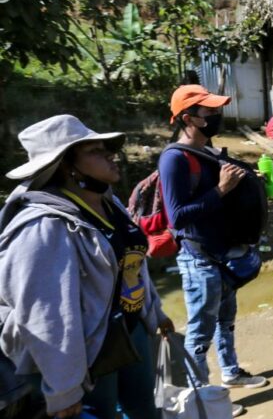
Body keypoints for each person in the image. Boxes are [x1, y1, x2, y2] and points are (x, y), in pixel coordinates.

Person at [0, 115, 173, 419]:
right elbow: (46, 317)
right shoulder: (45, 227)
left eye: (106, 147)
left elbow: (132, 265)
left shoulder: (108, 203)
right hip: (88, 350)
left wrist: (155, 311)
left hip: (128, 329)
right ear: (66, 165)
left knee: (145, 409)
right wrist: (64, 390)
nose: (110, 154)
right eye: (94, 151)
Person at [159, 85, 266, 415]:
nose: (217, 116)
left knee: (226, 320)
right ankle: (204, 399)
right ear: (189, 119)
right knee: (200, 331)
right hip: (199, 258)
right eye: (210, 113)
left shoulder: (211, 153)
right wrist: (221, 189)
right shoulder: (174, 159)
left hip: (224, 255)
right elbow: (177, 217)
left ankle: (231, 373)